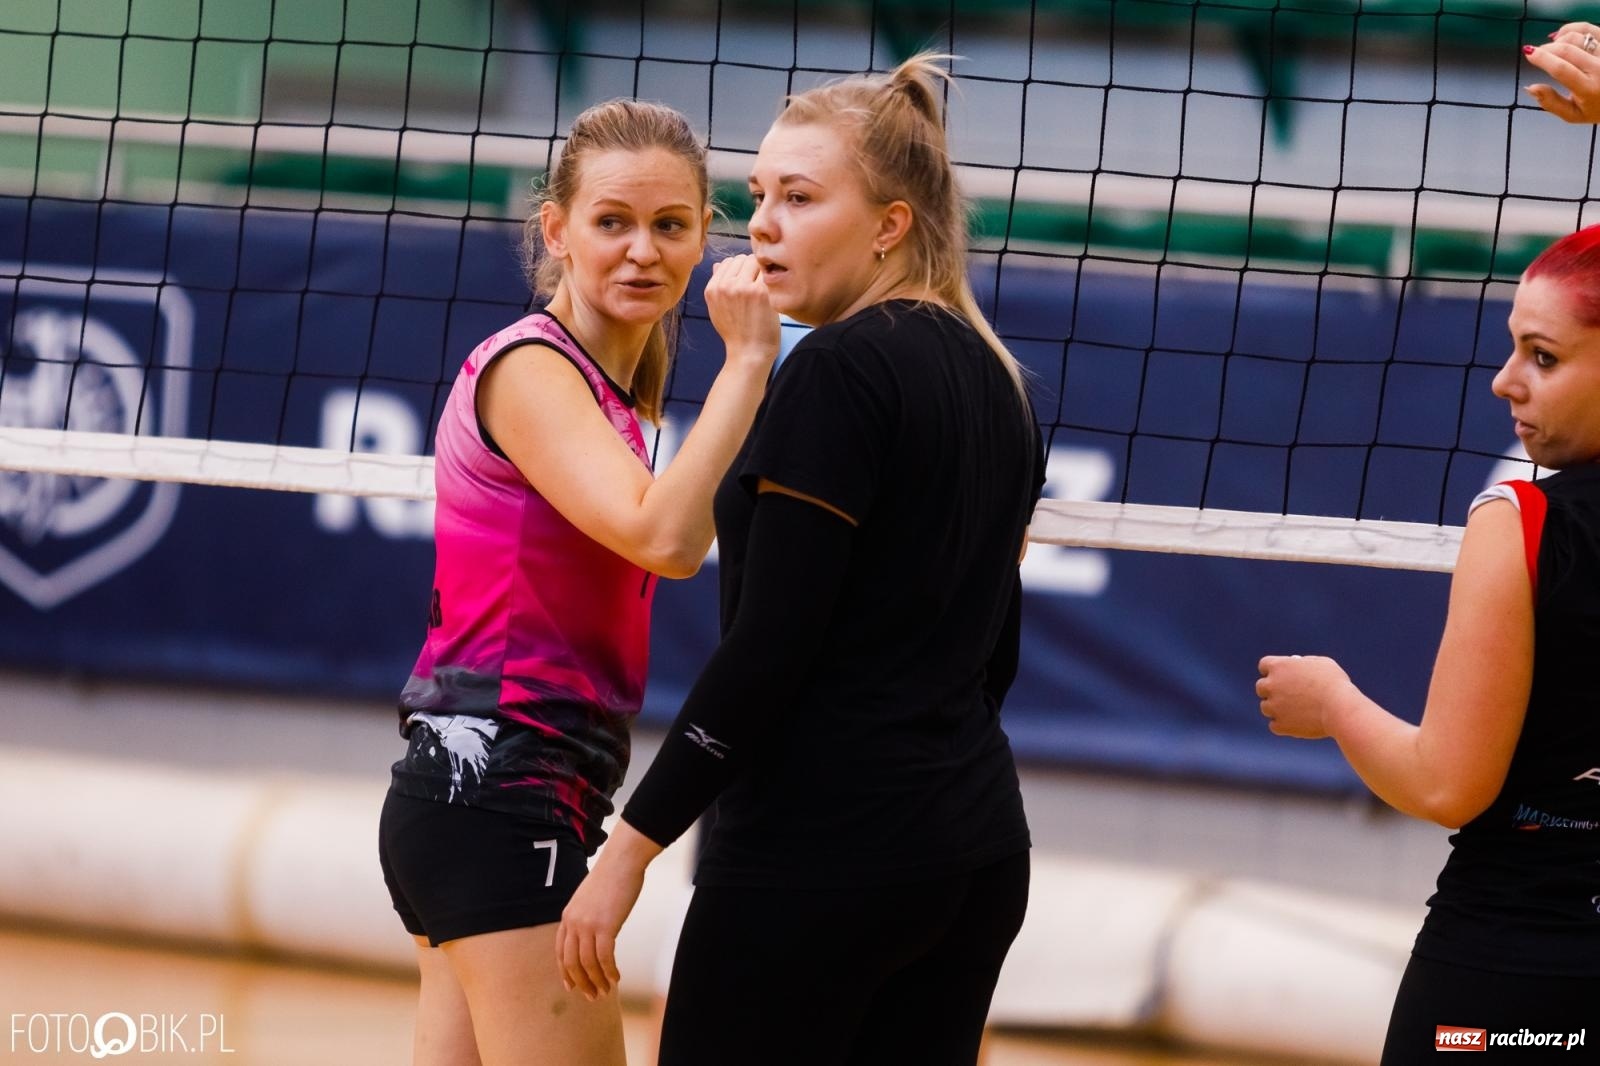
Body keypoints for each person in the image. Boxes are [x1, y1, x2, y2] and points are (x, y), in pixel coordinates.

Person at [557, 54, 1045, 1066]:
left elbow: (768, 653)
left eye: (801, 197)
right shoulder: (997, 379)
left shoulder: (836, 368)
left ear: (889, 226)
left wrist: (628, 849)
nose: (764, 224)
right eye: (759, 196)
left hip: (824, 859)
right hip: (976, 851)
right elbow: (994, 656)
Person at [376, 98, 780, 1066]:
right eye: (613, 222)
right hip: (498, 800)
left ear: (701, 241)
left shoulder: (618, 394)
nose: (642, 250)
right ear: (556, 230)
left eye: (670, 226)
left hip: (483, 804)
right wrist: (751, 358)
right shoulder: (529, 368)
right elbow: (665, 538)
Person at [1255, 227, 1600, 1064]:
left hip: (1513, 974)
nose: (1504, 380)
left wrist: (1335, 704)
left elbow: (1448, 783)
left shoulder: (1520, 522)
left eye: (1543, 357)